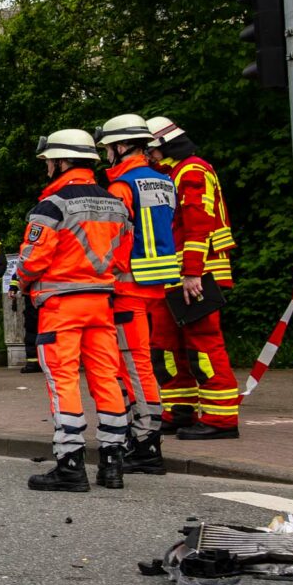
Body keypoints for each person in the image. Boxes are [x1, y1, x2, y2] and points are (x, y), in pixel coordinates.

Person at [15, 127, 131, 492]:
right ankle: (113, 464)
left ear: (62, 160)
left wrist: (20, 278)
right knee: (106, 379)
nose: (47, 166)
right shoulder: (116, 204)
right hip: (101, 302)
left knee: (63, 380)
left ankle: (70, 464)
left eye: (49, 160)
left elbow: (33, 259)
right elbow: (123, 256)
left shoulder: (53, 205)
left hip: (61, 306)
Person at [149, 115, 240, 439]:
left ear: (162, 146)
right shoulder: (173, 173)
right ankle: (179, 410)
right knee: (168, 346)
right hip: (175, 274)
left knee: (203, 345)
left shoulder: (193, 170)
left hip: (197, 273)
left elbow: (197, 224)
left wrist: (192, 273)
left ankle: (221, 419)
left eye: (151, 149)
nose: (149, 156)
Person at [98, 113, 178, 474]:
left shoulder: (122, 188)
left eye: (109, 149)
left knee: (133, 365)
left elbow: (114, 241)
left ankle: (146, 442)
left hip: (127, 286)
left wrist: (100, 274)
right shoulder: (163, 181)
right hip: (156, 284)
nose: (107, 156)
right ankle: (143, 435)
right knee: (139, 362)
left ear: (121, 146)